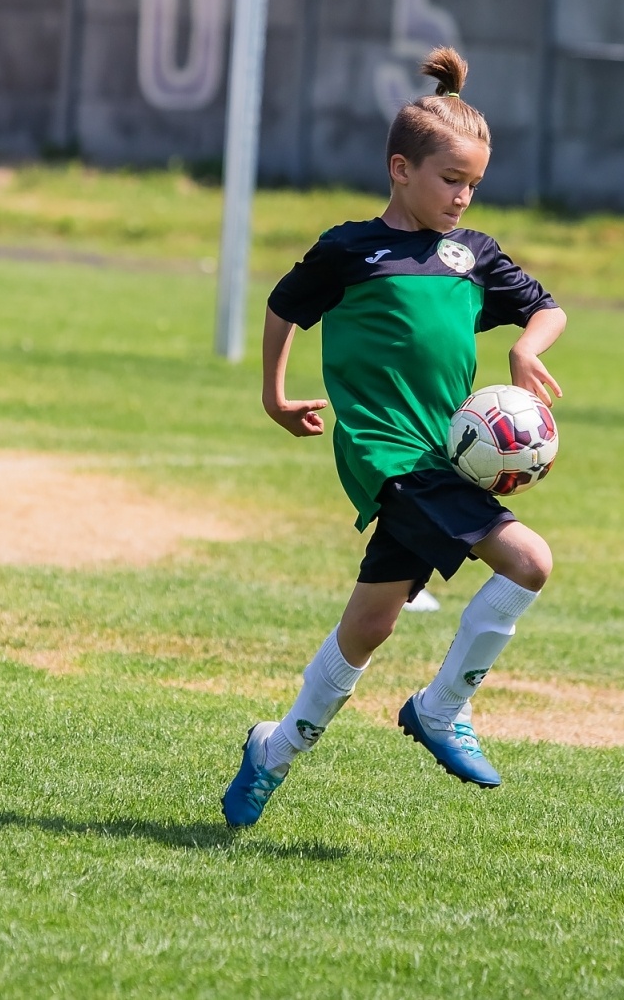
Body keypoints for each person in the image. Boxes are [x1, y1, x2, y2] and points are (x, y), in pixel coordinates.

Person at [221, 46, 568, 828]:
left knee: (368, 627)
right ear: (400, 168)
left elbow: (548, 307)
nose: (462, 197)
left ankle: (272, 748)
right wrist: (274, 394)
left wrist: (525, 349)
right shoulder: (352, 249)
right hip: (392, 457)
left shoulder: (470, 256)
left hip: (446, 462)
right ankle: (442, 710)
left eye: (474, 184)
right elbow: (285, 304)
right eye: (451, 181)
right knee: (530, 560)